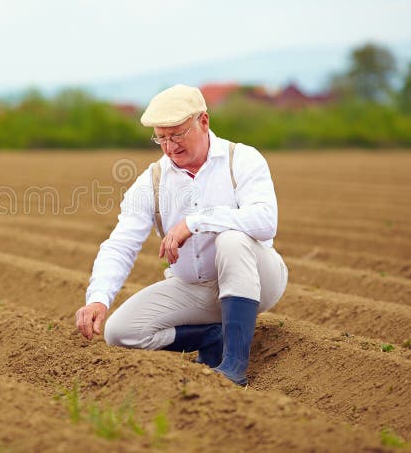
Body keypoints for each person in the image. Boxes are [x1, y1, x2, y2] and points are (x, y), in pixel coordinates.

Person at [74, 84, 288, 386]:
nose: (170, 146)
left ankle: (235, 365)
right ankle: (214, 337)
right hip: (196, 287)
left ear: (203, 122)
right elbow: (121, 244)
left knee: (232, 238)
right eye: (161, 138)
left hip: (258, 280)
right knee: (121, 332)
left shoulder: (241, 159)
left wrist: (195, 222)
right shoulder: (152, 181)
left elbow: (265, 221)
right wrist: (98, 299)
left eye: (177, 135)